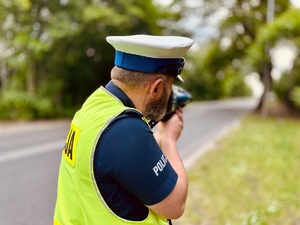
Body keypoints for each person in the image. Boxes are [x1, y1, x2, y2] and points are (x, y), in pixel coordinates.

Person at [53, 34, 194, 225]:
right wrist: (169, 139)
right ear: (156, 88)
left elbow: (126, 162)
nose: (170, 93)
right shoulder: (126, 130)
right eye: (170, 86)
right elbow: (175, 205)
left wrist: (159, 135)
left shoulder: (95, 107)